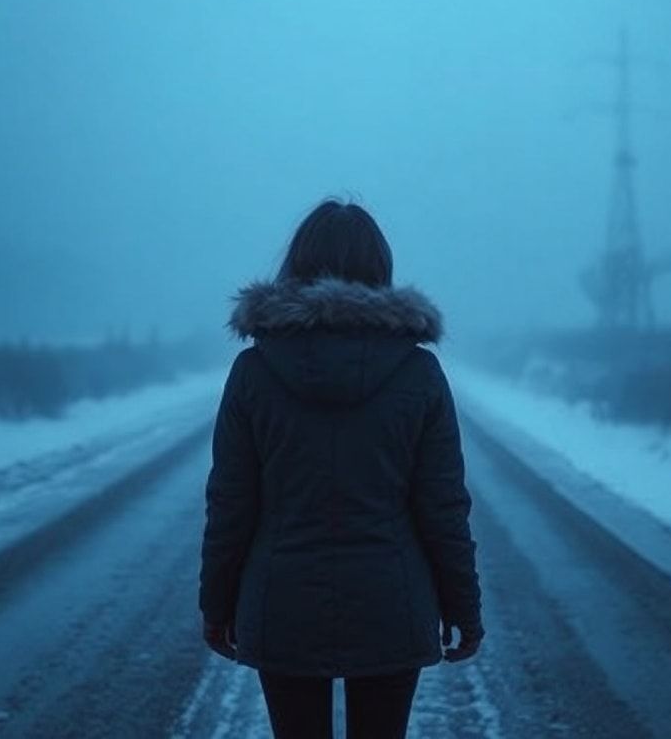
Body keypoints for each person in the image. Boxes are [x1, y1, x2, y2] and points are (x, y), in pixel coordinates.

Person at [199, 199, 484, 739]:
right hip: (391, 603)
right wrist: (463, 609)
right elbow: (443, 507)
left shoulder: (254, 372)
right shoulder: (419, 373)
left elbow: (231, 505)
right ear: (380, 270)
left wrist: (217, 605)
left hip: (282, 602)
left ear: (296, 267)